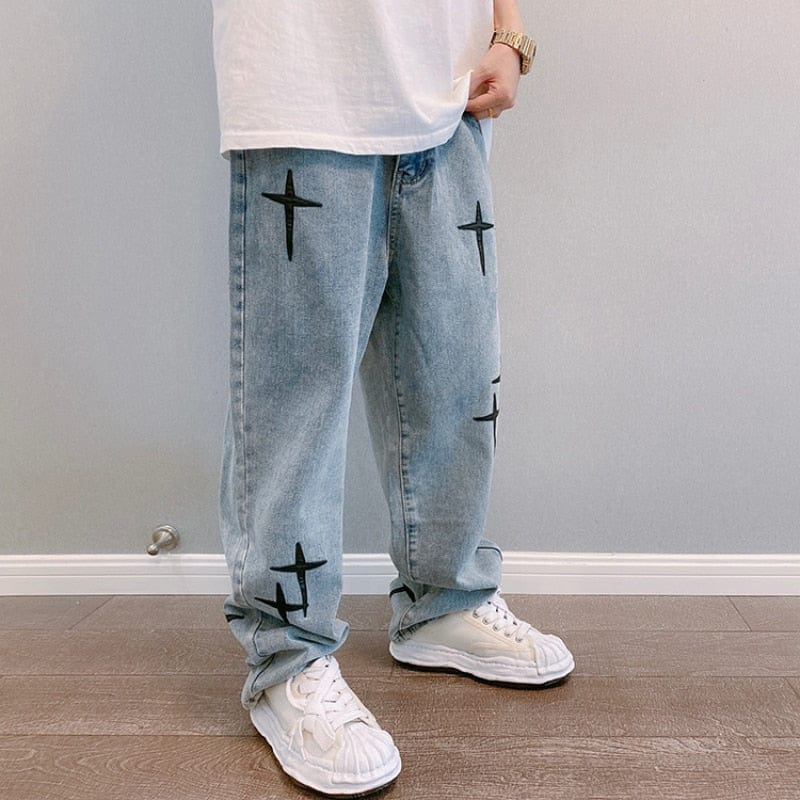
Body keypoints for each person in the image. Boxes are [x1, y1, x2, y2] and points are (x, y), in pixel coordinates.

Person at [211, 1, 574, 795]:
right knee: (295, 396)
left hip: (450, 88)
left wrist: (509, 34)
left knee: (458, 372)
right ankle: (287, 657)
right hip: (302, 85)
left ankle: (444, 597)